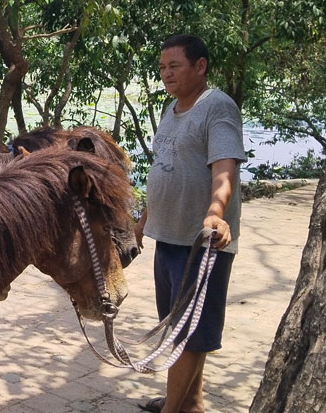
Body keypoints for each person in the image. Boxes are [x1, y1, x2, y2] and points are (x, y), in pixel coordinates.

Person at [133, 34, 247, 413]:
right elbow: (164, 167)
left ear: (200, 66)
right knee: (176, 325)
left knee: (190, 333)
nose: (166, 74)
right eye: (162, 67)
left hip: (201, 243)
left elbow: (225, 167)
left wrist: (216, 210)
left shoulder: (218, 108)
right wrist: (144, 218)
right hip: (168, 237)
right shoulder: (172, 108)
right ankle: (190, 403)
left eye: (174, 66)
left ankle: (172, 410)